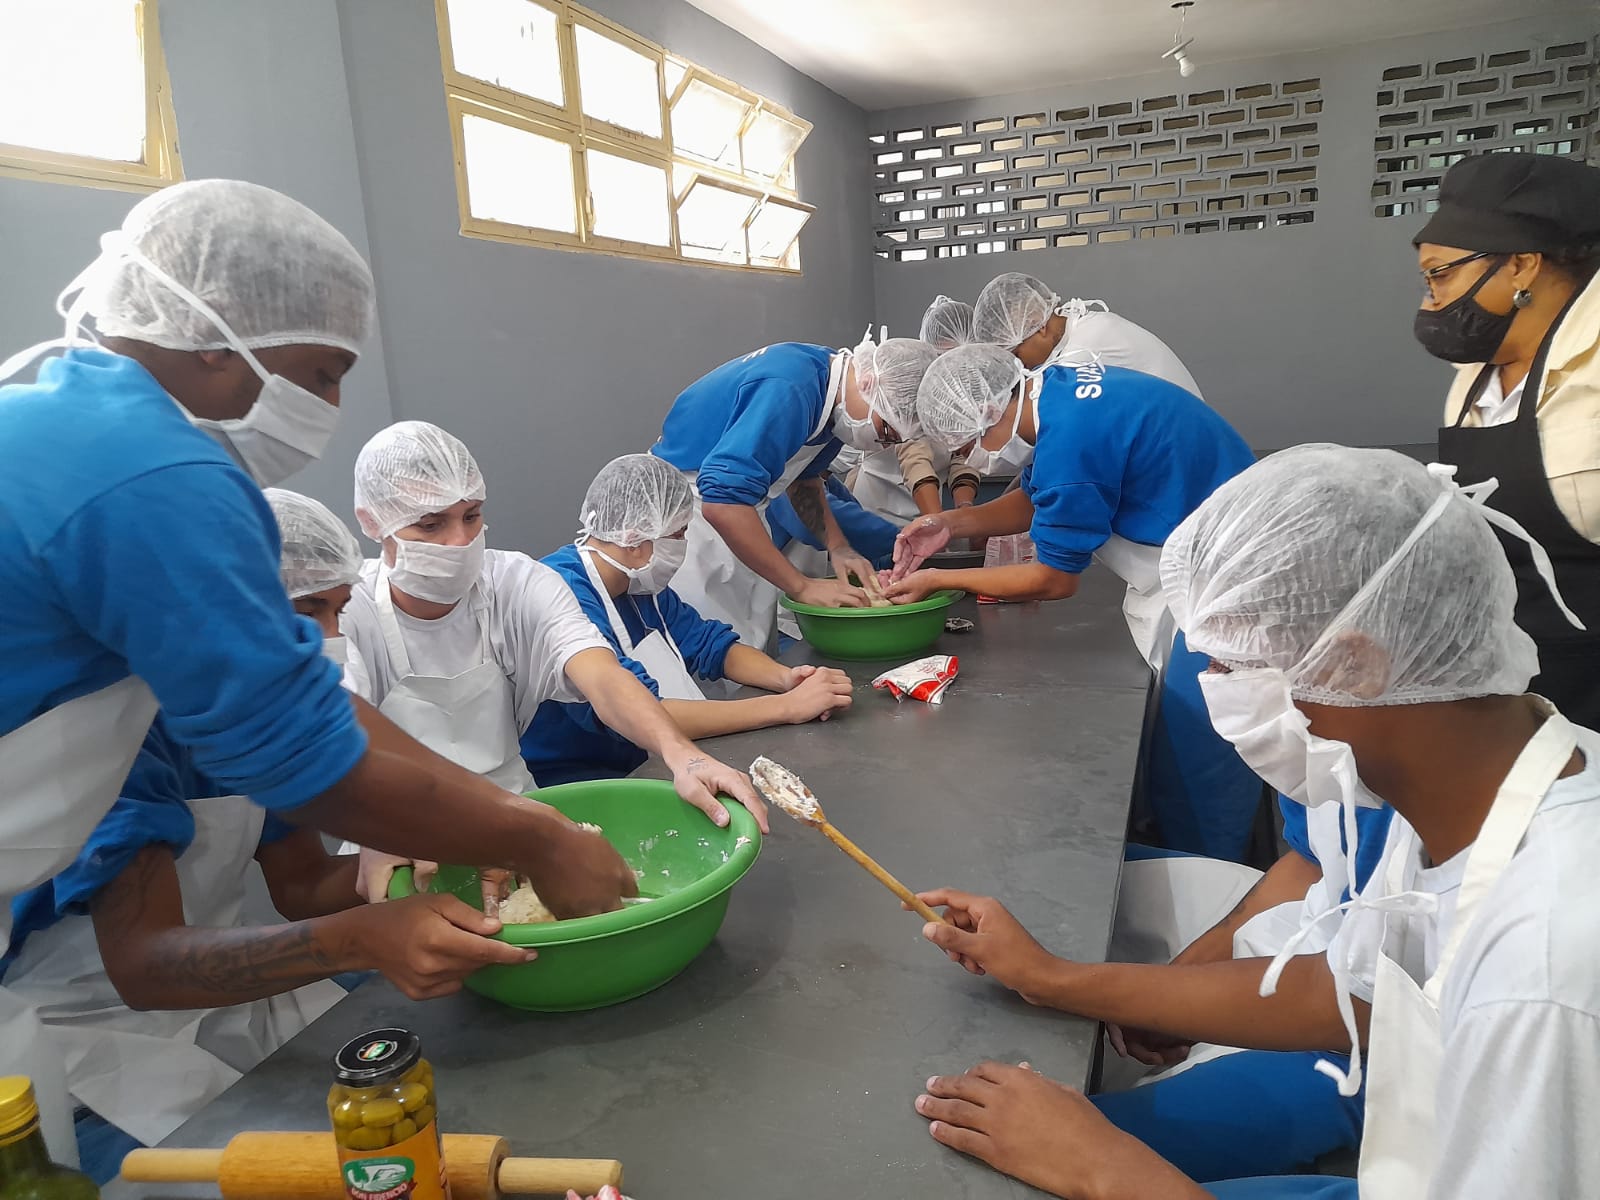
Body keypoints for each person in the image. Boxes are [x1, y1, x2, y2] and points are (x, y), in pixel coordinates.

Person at [0, 180, 640, 1161]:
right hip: (84, 1035)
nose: (329, 408)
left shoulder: (66, 420)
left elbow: (318, 721)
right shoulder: (151, 472)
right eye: (320, 371)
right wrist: (538, 844)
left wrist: (516, 817)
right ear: (215, 338)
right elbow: (308, 760)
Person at [909, 445, 1600, 1200]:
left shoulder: (1546, 964)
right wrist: (1057, 980)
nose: (1214, 693)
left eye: (1231, 669)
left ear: (1355, 666)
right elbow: (1356, 994)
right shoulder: (1462, 793)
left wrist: (1103, 1170)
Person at [1, 487, 529, 1182]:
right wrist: (366, 935)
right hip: (96, 1053)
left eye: (338, 610)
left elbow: (302, 887)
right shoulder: (120, 738)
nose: (325, 640)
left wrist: (390, 859)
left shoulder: (245, 723)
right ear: (224, 606)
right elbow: (143, 964)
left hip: (227, 1005)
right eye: (306, 609)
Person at [339, 422, 767, 883]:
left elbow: (601, 675)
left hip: (520, 820)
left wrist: (682, 755)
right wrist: (379, 827)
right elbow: (336, 732)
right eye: (430, 524)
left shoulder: (517, 583)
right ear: (371, 521)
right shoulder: (346, 610)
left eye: (472, 516)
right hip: (399, 837)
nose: (460, 541)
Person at [888, 345, 1260, 861]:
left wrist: (940, 580)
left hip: (1231, 583)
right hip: (1210, 555)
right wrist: (948, 524)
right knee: (1179, 735)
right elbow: (1033, 499)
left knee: (1202, 744)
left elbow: (1054, 580)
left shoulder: (1073, 442)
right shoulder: (1060, 395)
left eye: (971, 444)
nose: (973, 460)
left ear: (991, 411)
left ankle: (1211, 873)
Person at [524, 455, 854, 786]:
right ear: (636, 538)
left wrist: (787, 679)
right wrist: (786, 708)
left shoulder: (638, 583)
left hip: (650, 762)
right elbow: (643, 713)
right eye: (679, 534)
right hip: (581, 781)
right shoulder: (563, 595)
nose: (683, 545)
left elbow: (711, 645)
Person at [1416, 153, 1600, 726]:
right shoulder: (1472, 383)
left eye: (1440, 275)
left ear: (1521, 265)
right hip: (1516, 682)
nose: (1429, 301)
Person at [649, 334, 938, 650]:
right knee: (712, 651)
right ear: (869, 382)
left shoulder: (833, 399)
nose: (879, 444)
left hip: (734, 509)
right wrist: (800, 586)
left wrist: (838, 546)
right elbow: (722, 504)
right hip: (691, 520)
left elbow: (802, 480)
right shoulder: (790, 389)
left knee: (749, 641)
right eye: (885, 431)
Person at [972, 271, 1203, 397]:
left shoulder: (1082, 352)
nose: (1021, 367)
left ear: (1037, 325)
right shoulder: (1084, 327)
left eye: (1017, 355)